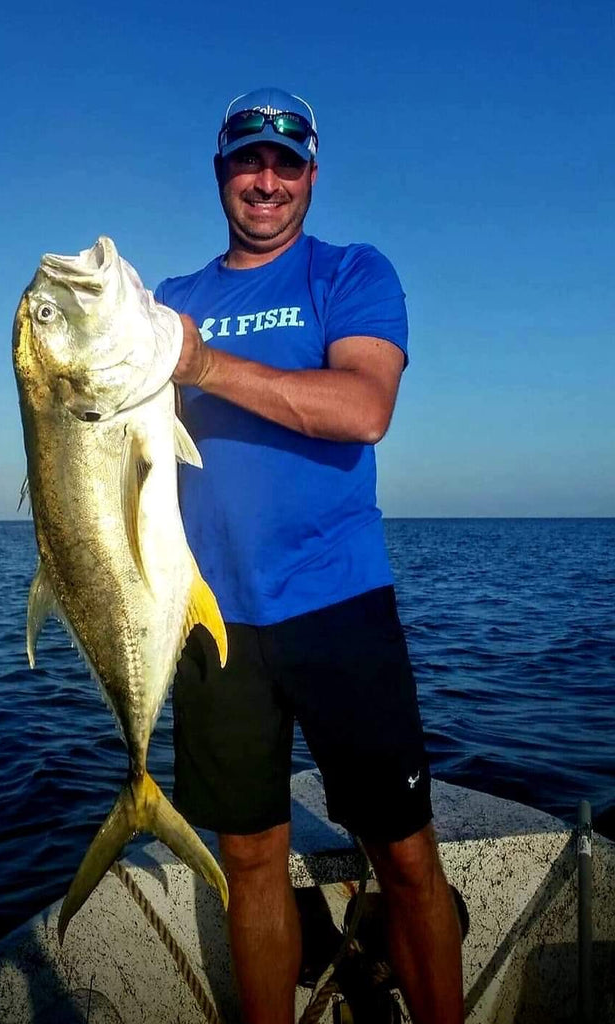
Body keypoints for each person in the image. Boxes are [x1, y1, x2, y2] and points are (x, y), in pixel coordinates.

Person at [154, 87, 464, 1024]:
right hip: (212, 622)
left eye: (286, 166)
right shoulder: (170, 303)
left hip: (339, 607)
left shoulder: (352, 274)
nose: (266, 181)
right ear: (222, 175)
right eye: (248, 162)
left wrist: (201, 366)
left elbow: (363, 408)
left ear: (311, 177)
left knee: (404, 855)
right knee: (247, 857)